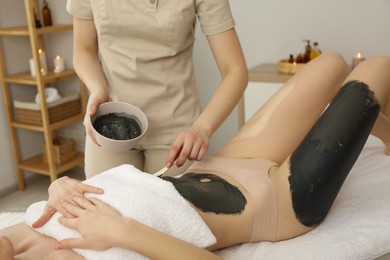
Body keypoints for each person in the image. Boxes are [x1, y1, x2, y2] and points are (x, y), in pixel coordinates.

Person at [1, 53, 390, 259]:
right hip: (272, 200)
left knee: (333, 64)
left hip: (222, 164)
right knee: (379, 67)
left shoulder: (16, 232)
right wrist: (122, 232)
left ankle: (375, 129)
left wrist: (59, 184)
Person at [66, 0, 248, 178]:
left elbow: (235, 71)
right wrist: (98, 88)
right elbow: (84, 49)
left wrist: (202, 129)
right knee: (105, 205)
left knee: (175, 206)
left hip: (176, 128)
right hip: (108, 119)